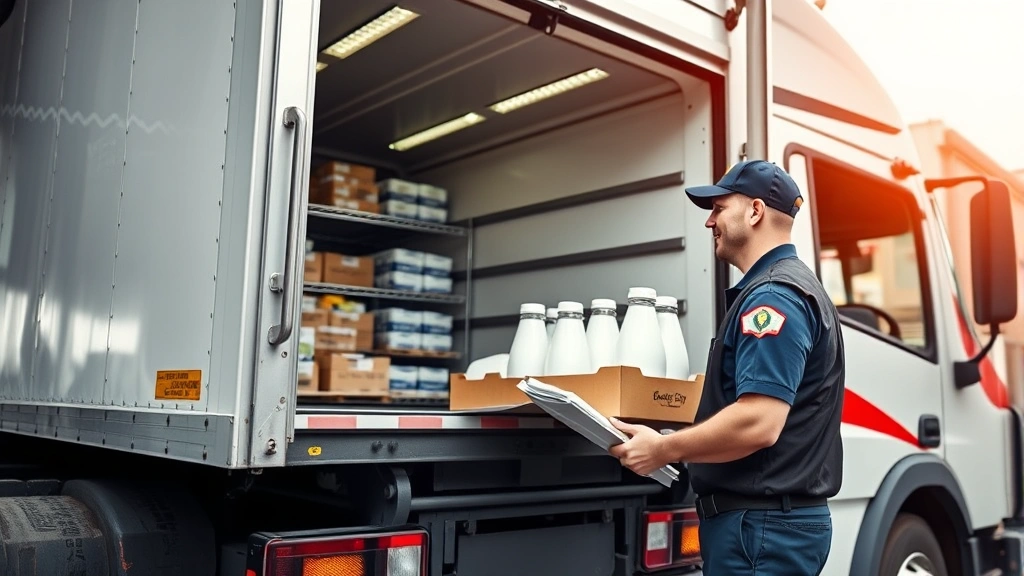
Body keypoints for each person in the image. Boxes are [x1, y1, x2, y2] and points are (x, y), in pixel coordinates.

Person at [608, 160, 845, 575]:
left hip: (762, 529)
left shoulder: (773, 298)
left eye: (718, 208)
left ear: (754, 211)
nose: (709, 222)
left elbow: (759, 421)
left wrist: (663, 449)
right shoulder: (790, 286)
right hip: (768, 526)